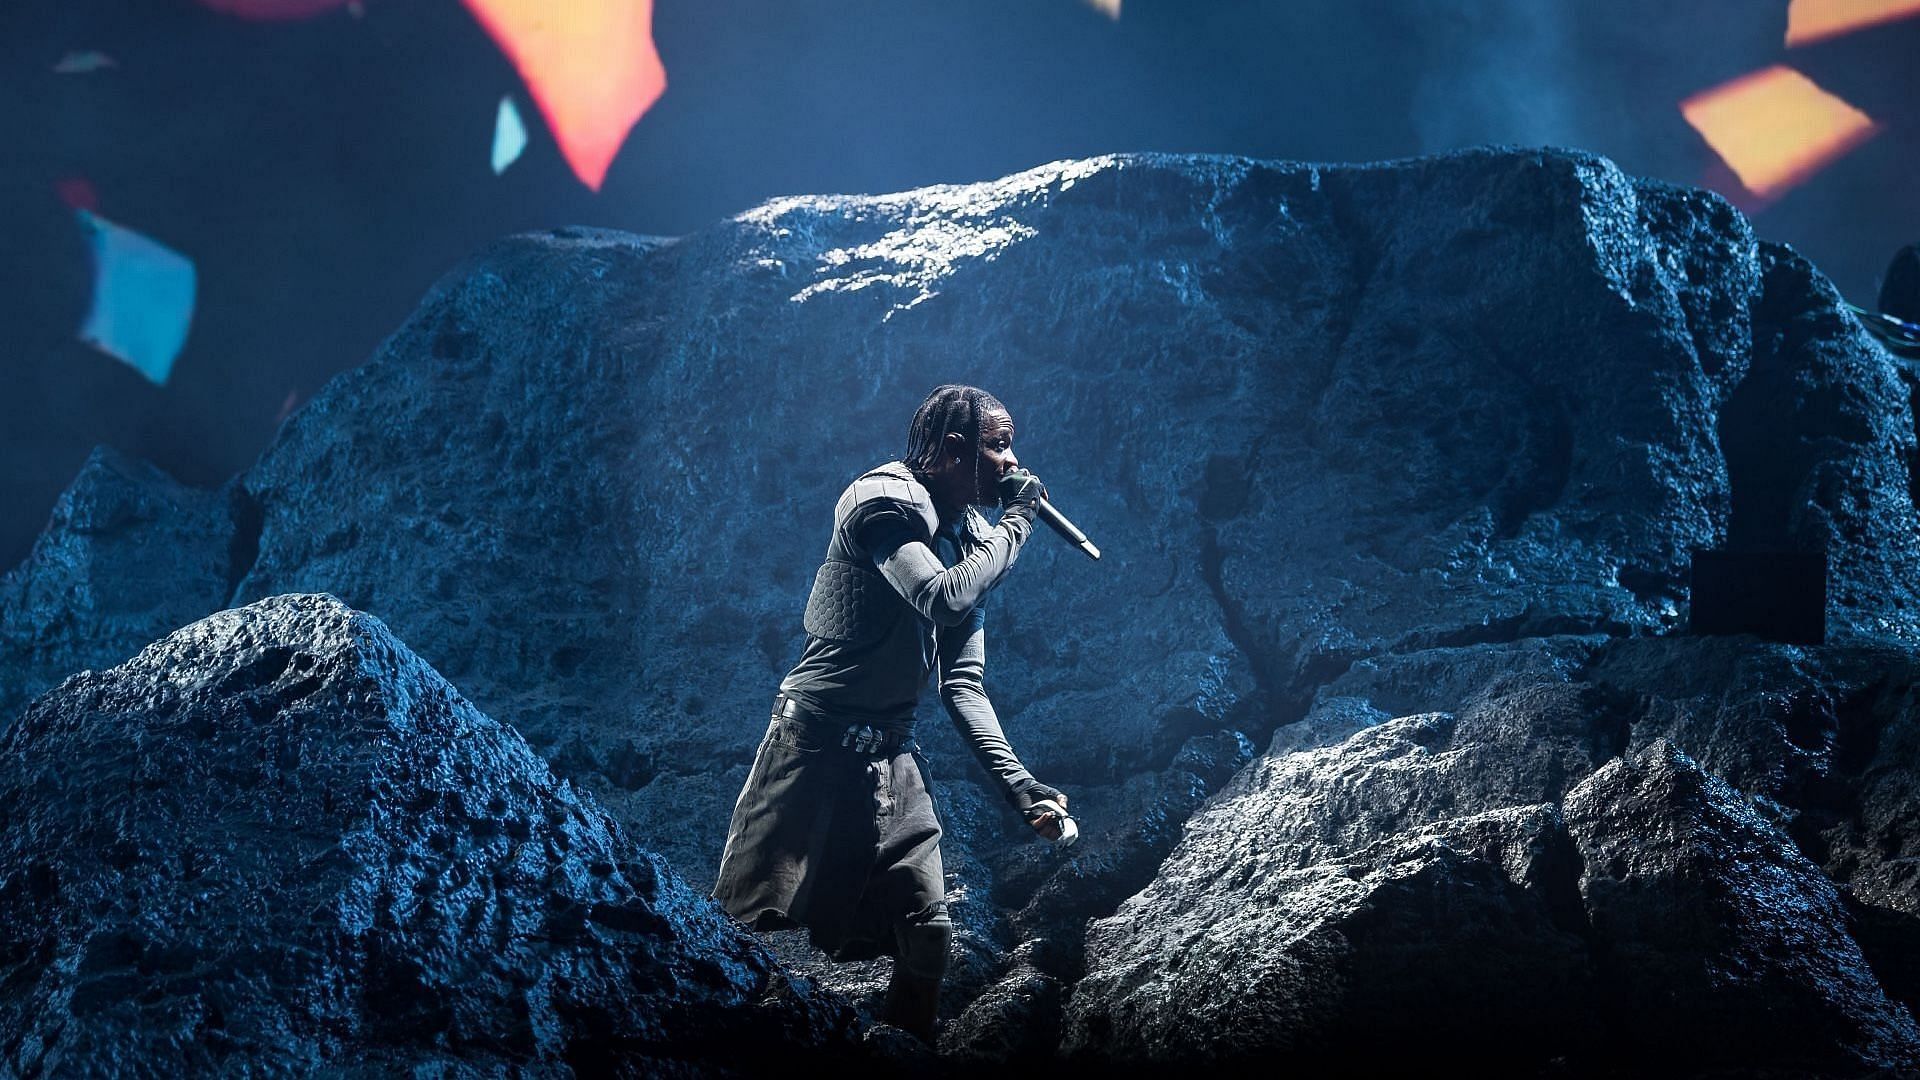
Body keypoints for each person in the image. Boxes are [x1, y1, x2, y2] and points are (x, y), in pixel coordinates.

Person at [711, 384, 1070, 1043]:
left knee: (927, 939)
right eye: (997, 445)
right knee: (731, 928)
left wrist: (1021, 787)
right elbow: (939, 599)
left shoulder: (972, 541)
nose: (1012, 460)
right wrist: (1017, 527)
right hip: (810, 746)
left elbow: (963, 686)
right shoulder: (883, 502)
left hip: (891, 757)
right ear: (955, 449)